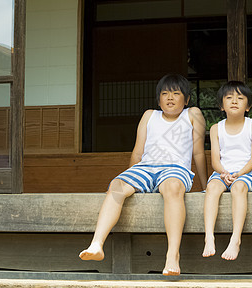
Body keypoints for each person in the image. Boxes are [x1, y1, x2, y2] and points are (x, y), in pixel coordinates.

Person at [79, 74, 208, 276]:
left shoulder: (193, 114)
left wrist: (205, 185)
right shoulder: (149, 115)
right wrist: (130, 179)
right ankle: (97, 244)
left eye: (176, 93)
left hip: (175, 169)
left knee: (172, 188)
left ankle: (172, 255)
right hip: (145, 167)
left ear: (187, 99)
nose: (170, 97)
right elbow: (138, 152)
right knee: (116, 186)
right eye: (165, 94)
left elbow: (199, 152)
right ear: (158, 100)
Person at [202, 81, 252, 261]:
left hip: (248, 172)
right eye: (229, 98)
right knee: (211, 188)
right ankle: (209, 237)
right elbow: (215, 161)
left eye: (240, 98)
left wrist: (240, 174)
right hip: (222, 172)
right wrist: (225, 173)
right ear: (222, 105)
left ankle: (235, 239)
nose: (234, 101)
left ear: (248, 106)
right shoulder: (215, 128)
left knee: (238, 188)